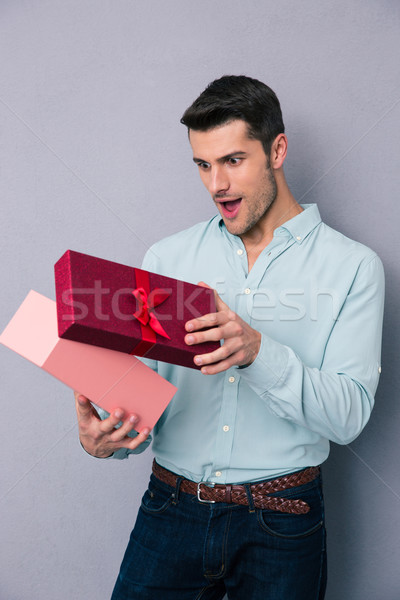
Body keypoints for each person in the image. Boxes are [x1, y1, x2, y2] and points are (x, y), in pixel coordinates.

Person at [75, 75, 384, 599]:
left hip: (283, 522)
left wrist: (257, 352)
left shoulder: (354, 267)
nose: (216, 183)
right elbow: (142, 406)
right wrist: (108, 440)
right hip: (168, 510)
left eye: (233, 161)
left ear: (278, 150)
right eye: (202, 164)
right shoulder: (165, 259)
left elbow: (349, 417)